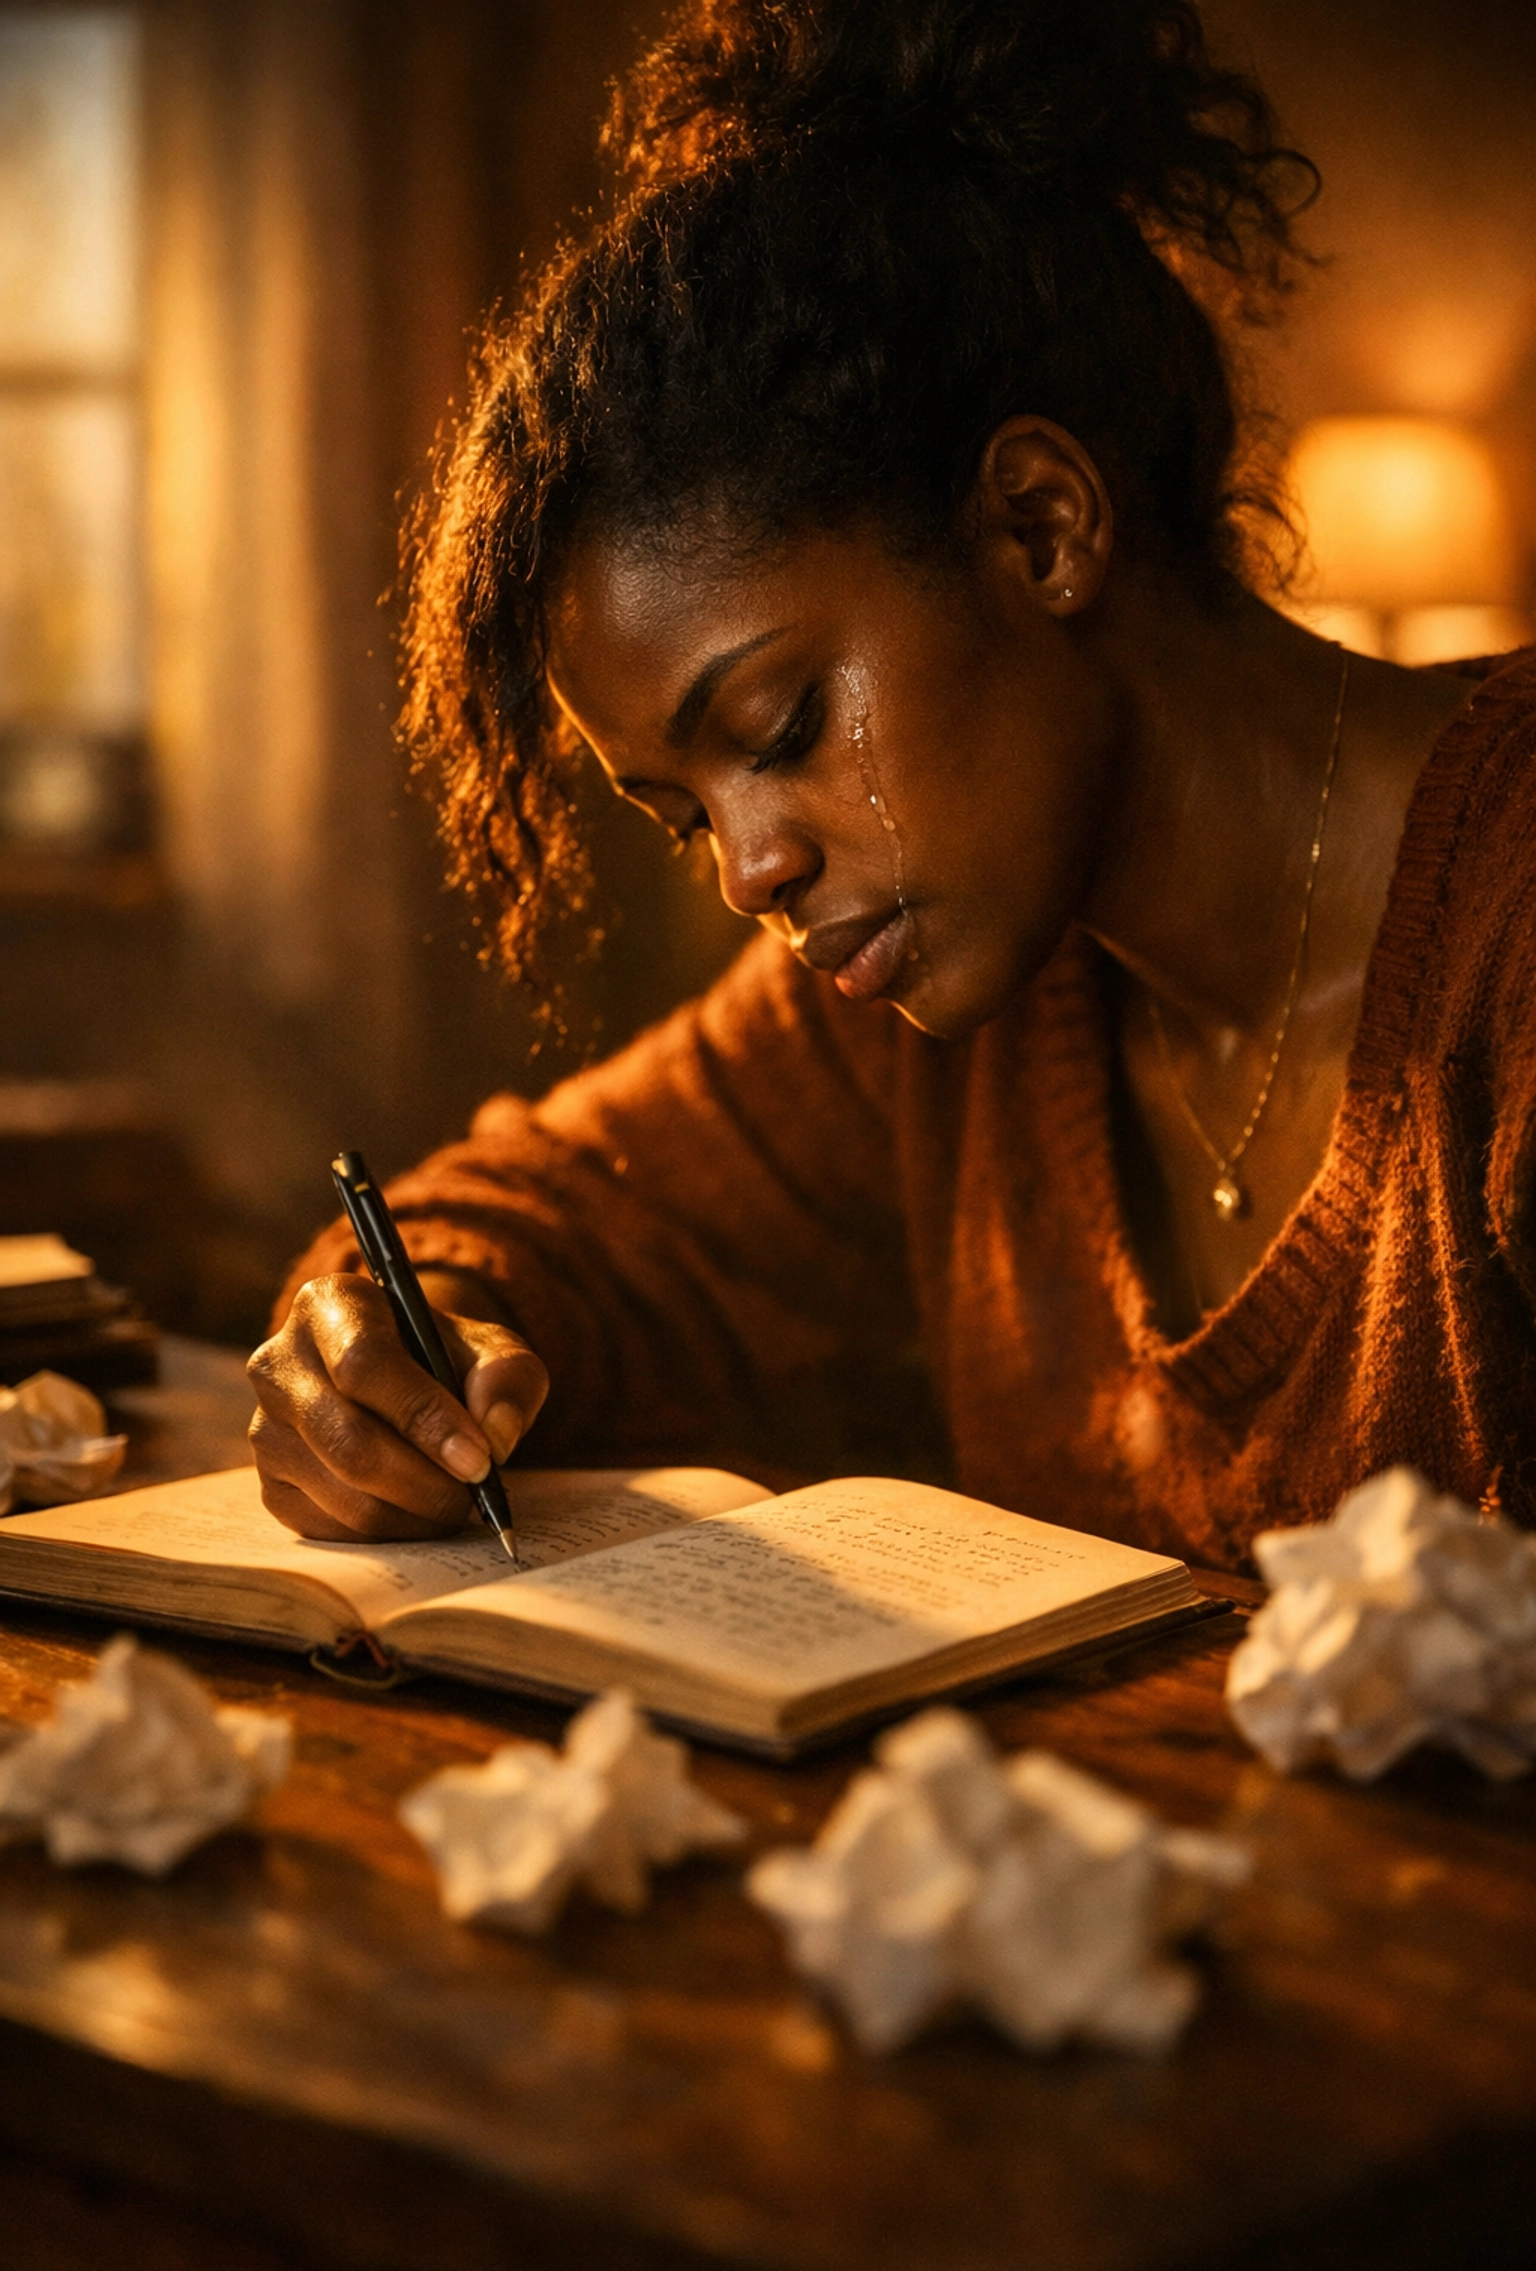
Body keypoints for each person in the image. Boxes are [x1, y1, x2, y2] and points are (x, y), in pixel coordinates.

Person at [249, 0, 1536, 1572]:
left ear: (1041, 528)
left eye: (781, 725)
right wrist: (392, 1342)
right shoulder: (939, 996)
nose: (747, 874)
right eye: (683, 815)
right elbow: (546, 1212)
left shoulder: (1510, 926)